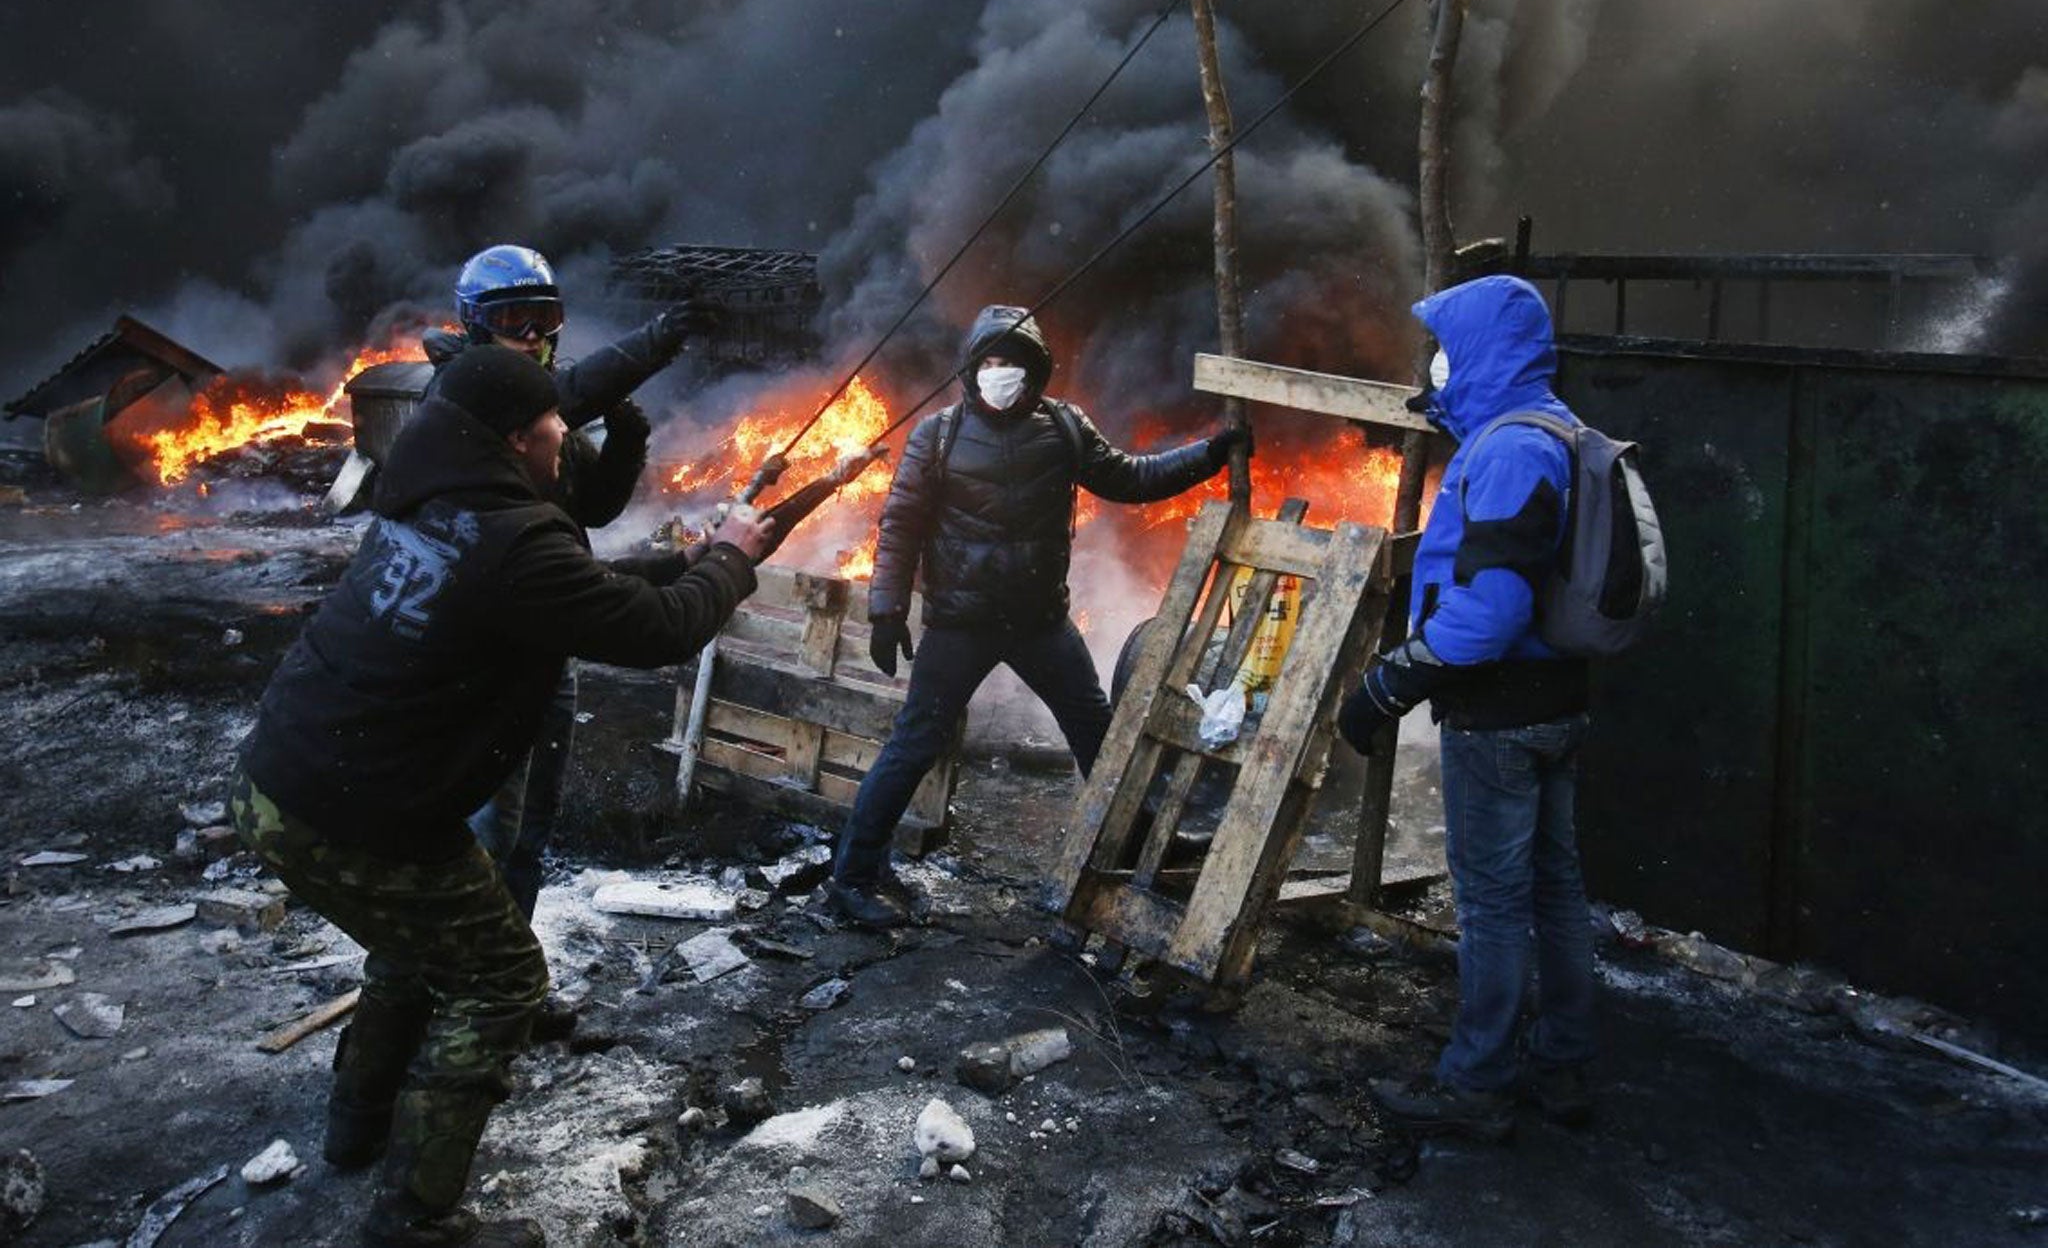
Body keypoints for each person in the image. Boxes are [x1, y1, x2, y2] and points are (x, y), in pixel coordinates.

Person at [232, 345, 774, 1248]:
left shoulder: (438, 498)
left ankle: (357, 1131)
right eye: (559, 425)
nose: (569, 437)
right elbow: (661, 633)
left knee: (412, 950)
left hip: (279, 787)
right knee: (500, 982)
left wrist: (690, 559)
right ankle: (412, 1219)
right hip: (366, 814)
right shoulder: (513, 537)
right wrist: (731, 561)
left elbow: (579, 595)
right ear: (521, 438)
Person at [827, 304, 1249, 928]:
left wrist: (1207, 456)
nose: (1001, 374)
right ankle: (854, 878)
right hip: (960, 625)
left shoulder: (1064, 426)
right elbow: (901, 525)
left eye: (1012, 363)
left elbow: (1131, 479)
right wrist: (886, 610)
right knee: (914, 744)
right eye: (990, 362)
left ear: (1035, 370)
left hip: (1041, 623)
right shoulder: (936, 435)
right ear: (972, 370)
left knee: (1097, 734)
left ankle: (1135, 847)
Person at [425, 246, 714, 1035]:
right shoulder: (459, 395)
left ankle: (508, 989)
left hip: (543, 654)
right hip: (480, 663)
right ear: (474, 326)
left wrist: (624, 441)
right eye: (514, 321)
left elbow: (592, 508)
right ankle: (464, 1006)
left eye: (545, 320)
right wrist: (656, 342)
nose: (532, 335)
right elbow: (569, 391)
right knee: (482, 839)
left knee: (527, 837)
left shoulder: (541, 405)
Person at [1336, 274, 1597, 1143]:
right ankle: (1563, 1065)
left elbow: (1491, 611)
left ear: (1483, 351)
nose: (1438, 363)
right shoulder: (1547, 426)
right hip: (1556, 701)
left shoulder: (1510, 451)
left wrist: (1391, 682)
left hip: (1500, 713)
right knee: (1555, 892)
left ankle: (1478, 1083)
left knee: (1491, 903)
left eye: (1449, 348)